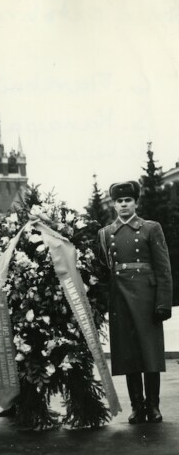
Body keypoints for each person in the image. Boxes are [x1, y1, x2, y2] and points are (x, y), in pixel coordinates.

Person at [98, 181, 173, 424]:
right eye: (118, 201)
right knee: (128, 354)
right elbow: (101, 271)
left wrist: (163, 302)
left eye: (127, 200)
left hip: (147, 299)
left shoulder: (151, 228)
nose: (123, 205)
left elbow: (163, 268)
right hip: (120, 298)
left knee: (149, 353)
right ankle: (137, 406)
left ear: (136, 203)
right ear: (113, 204)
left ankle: (153, 406)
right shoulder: (107, 233)